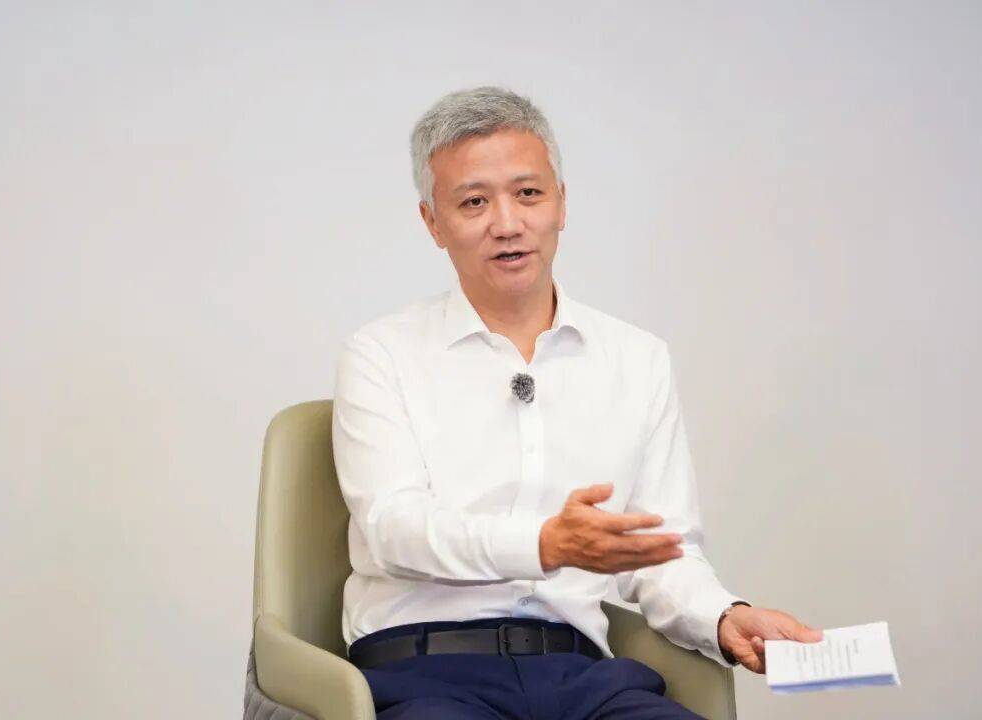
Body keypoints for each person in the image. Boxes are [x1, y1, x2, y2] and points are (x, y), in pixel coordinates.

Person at [332, 86, 822, 719]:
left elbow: (660, 551)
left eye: (528, 193)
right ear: (433, 223)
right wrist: (546, 544)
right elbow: (393, 530)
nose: (507, 223)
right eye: (474, 201)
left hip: (580, 676)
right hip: (425, 671)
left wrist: (724, 616)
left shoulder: (636, 358)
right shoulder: (381, 353)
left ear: (561, 203)